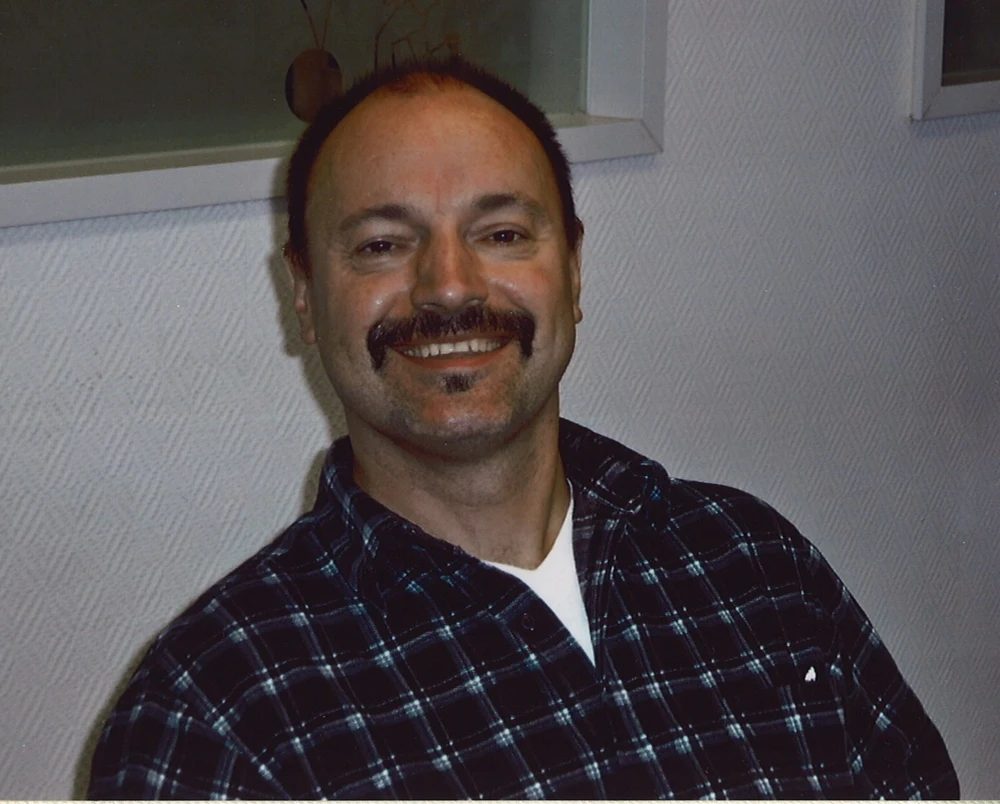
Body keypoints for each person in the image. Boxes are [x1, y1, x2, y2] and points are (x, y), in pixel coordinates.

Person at [88, 57, 958, 799]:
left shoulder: (757, 568)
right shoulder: (215, 720)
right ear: (307, 297)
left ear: (573, 271)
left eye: (502, 233)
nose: (449, 287)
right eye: (383, 245)